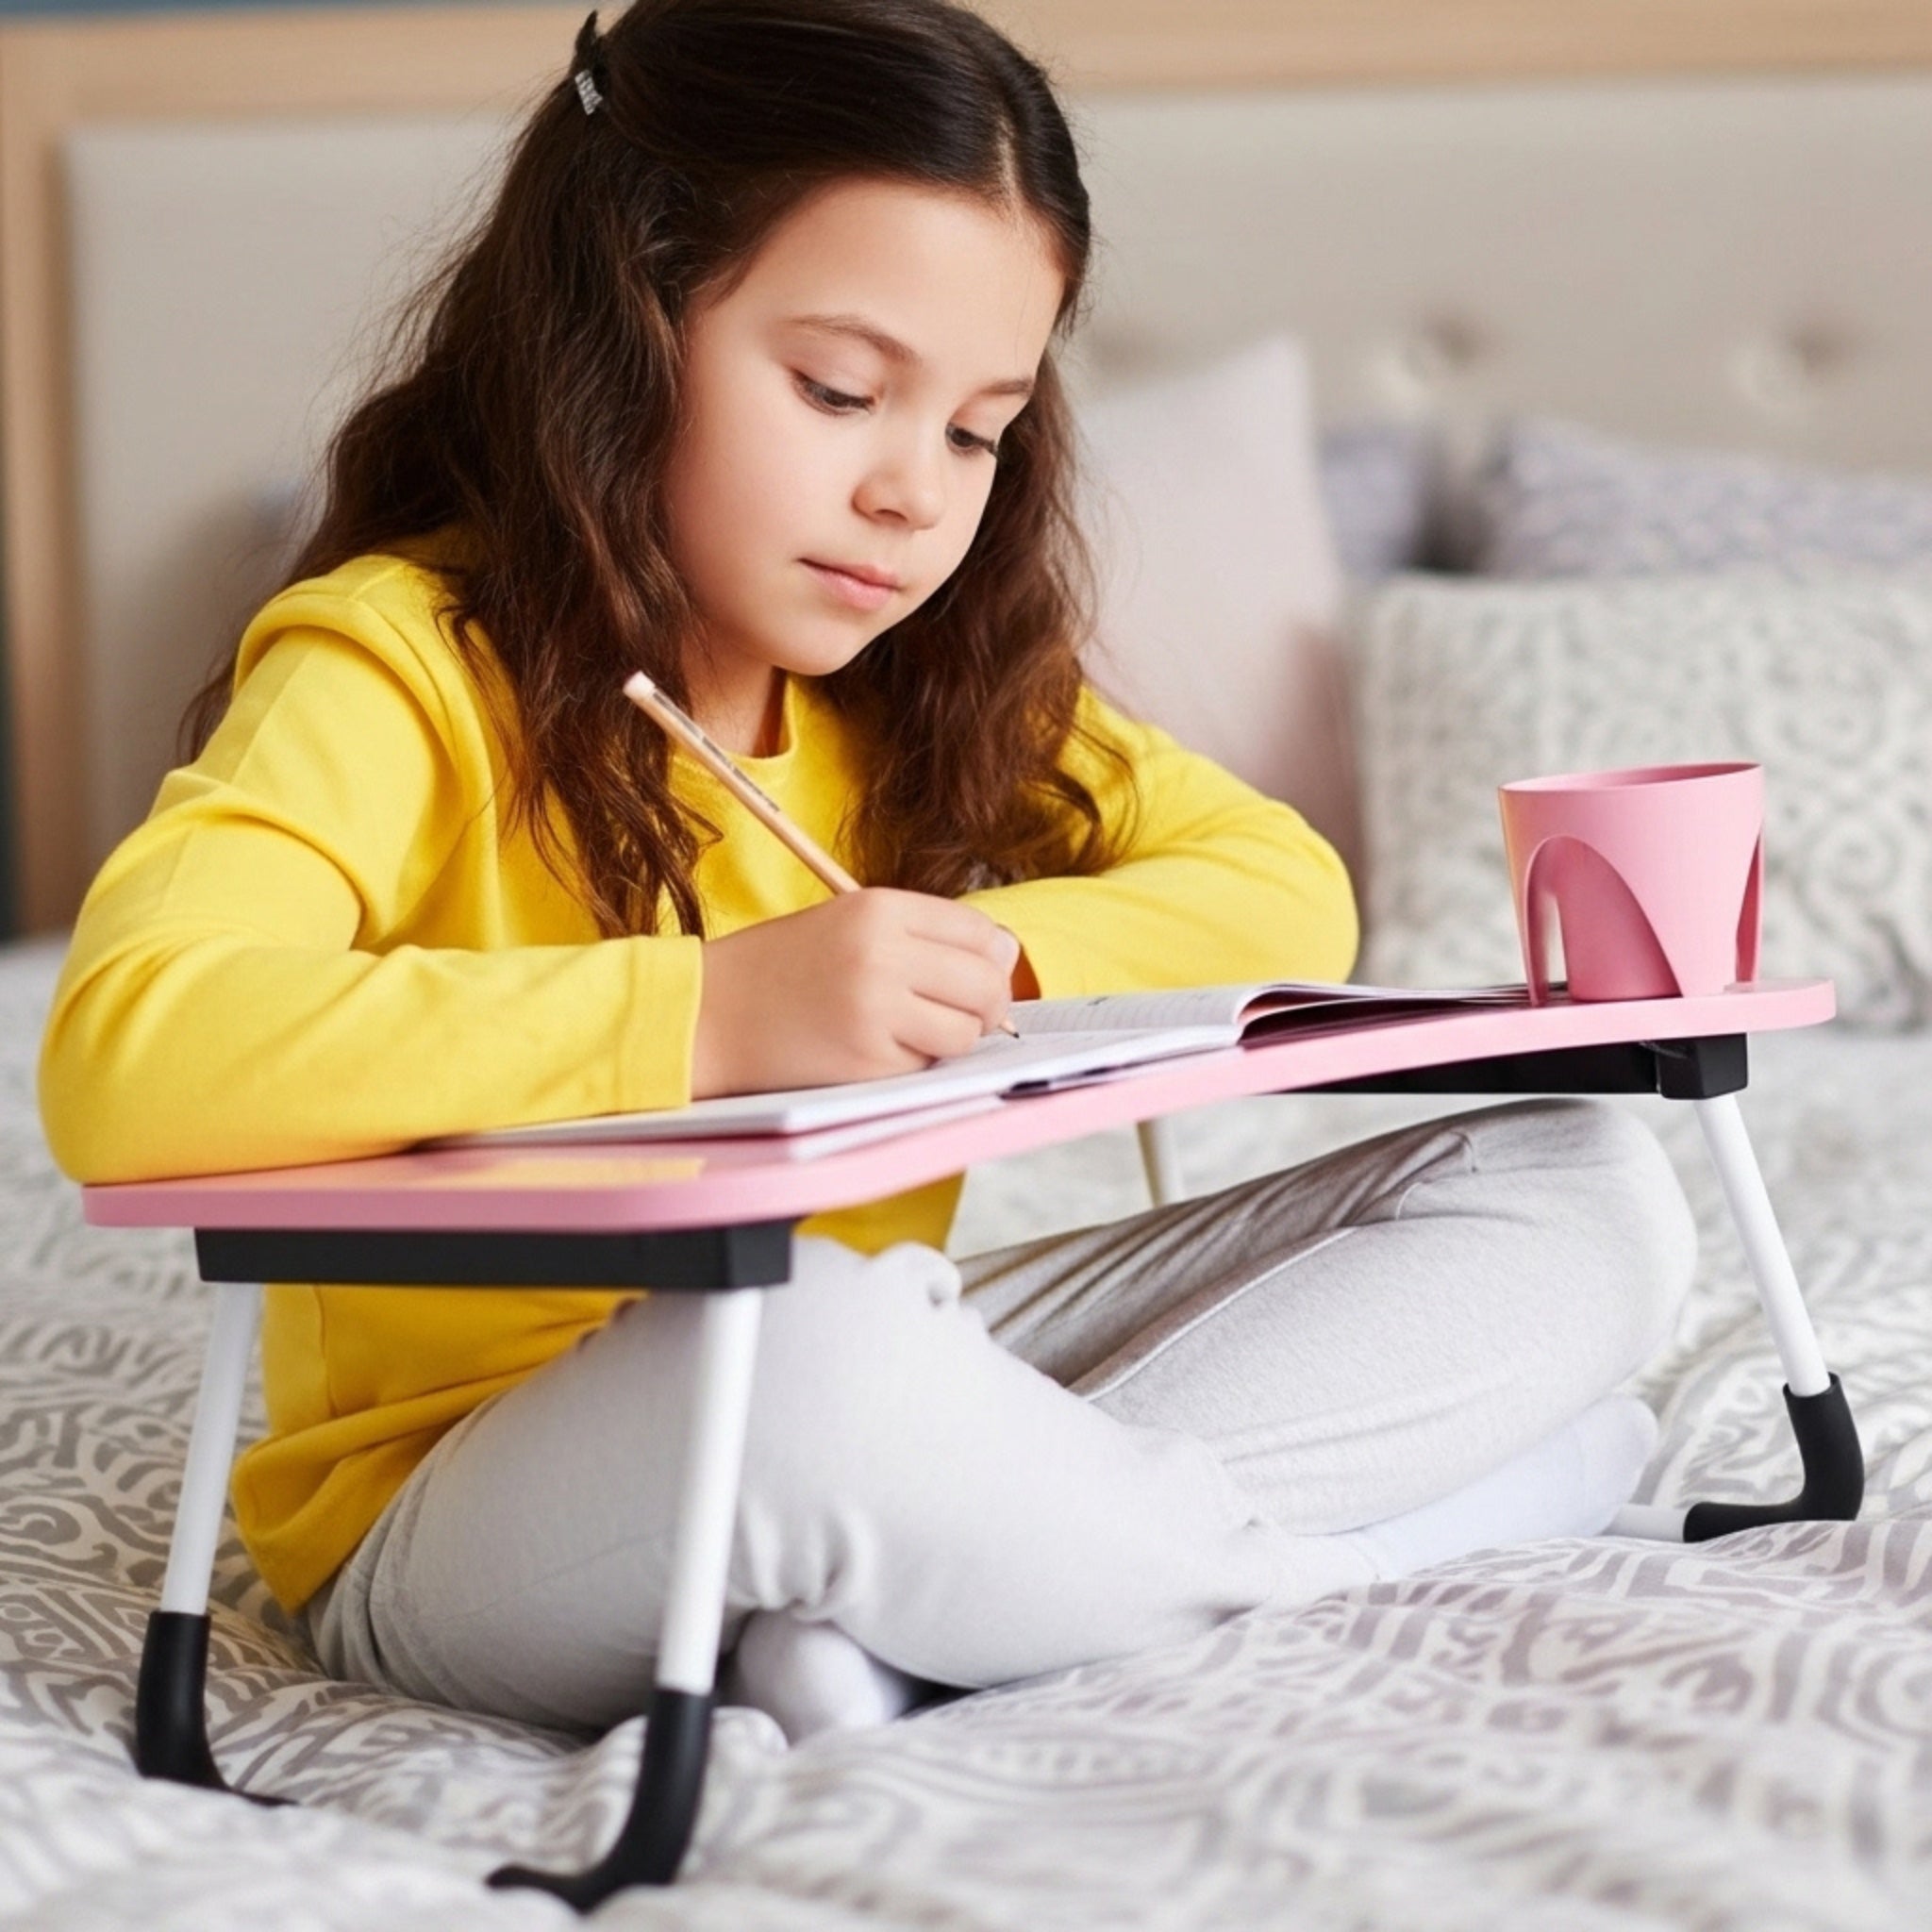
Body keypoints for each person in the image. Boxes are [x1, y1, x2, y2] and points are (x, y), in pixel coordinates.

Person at [38, 0, 1695, 1746]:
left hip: (879, 1374)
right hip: (473, 1497)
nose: (914, 492)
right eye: (840, 390)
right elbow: (128, 1053)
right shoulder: (400, 663)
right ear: (621, 328)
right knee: (822, 1362)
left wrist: (963, 961)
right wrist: (715, 1014)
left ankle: (904, 1638)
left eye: (980, 430)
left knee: (1578, 1183)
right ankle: (1428, 1542)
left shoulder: (914, 684)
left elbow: (1277, 883)